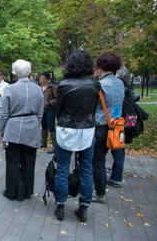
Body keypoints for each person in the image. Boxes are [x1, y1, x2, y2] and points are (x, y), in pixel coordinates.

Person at [52, 50, 101, 222]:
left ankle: (60, 204)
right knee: (86, 168)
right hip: (87, 128)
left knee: (63, 169)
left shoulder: (65, 84)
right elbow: (93, 109)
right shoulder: (95, 84)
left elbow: (59, 110)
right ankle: (84, 206)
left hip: (67, 128)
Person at [0, 60, 43, 202]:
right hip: (31, 127)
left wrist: (1, 130)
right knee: (29, 161)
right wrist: (35, 125)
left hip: (13, 128)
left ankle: (11, 191)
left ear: (15, 74)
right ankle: (27, 190)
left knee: (12, 161)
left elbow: (4, 113)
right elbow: (40, 113)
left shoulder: (10, 89)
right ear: (29, 73)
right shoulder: (38, 89)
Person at [92, 52, 124, 204]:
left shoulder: (100, 85)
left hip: (101, 126)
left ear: (99, 66)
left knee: (98, 161)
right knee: (102, 158)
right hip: (115, 126)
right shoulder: (119, 83)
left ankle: (99, 193)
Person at [107, 67, 141, 189]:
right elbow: (136, 97)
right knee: (118, 149)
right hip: (123, 122)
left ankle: (116, 178)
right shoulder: (126, 86)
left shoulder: (120, 86)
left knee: (117, 149)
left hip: (118, 122)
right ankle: (115, 175)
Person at [39, 71, 58, 153]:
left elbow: (57, 99)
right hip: (41, 110)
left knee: (51, 127)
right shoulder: (39, 88)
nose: (40, 79)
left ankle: (55, 146)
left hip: (50, 110)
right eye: (40, 77)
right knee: (43, 126)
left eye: (42, 78)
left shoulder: (52, 87)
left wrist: (49, 103)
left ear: (47, 79)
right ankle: (44, 143)